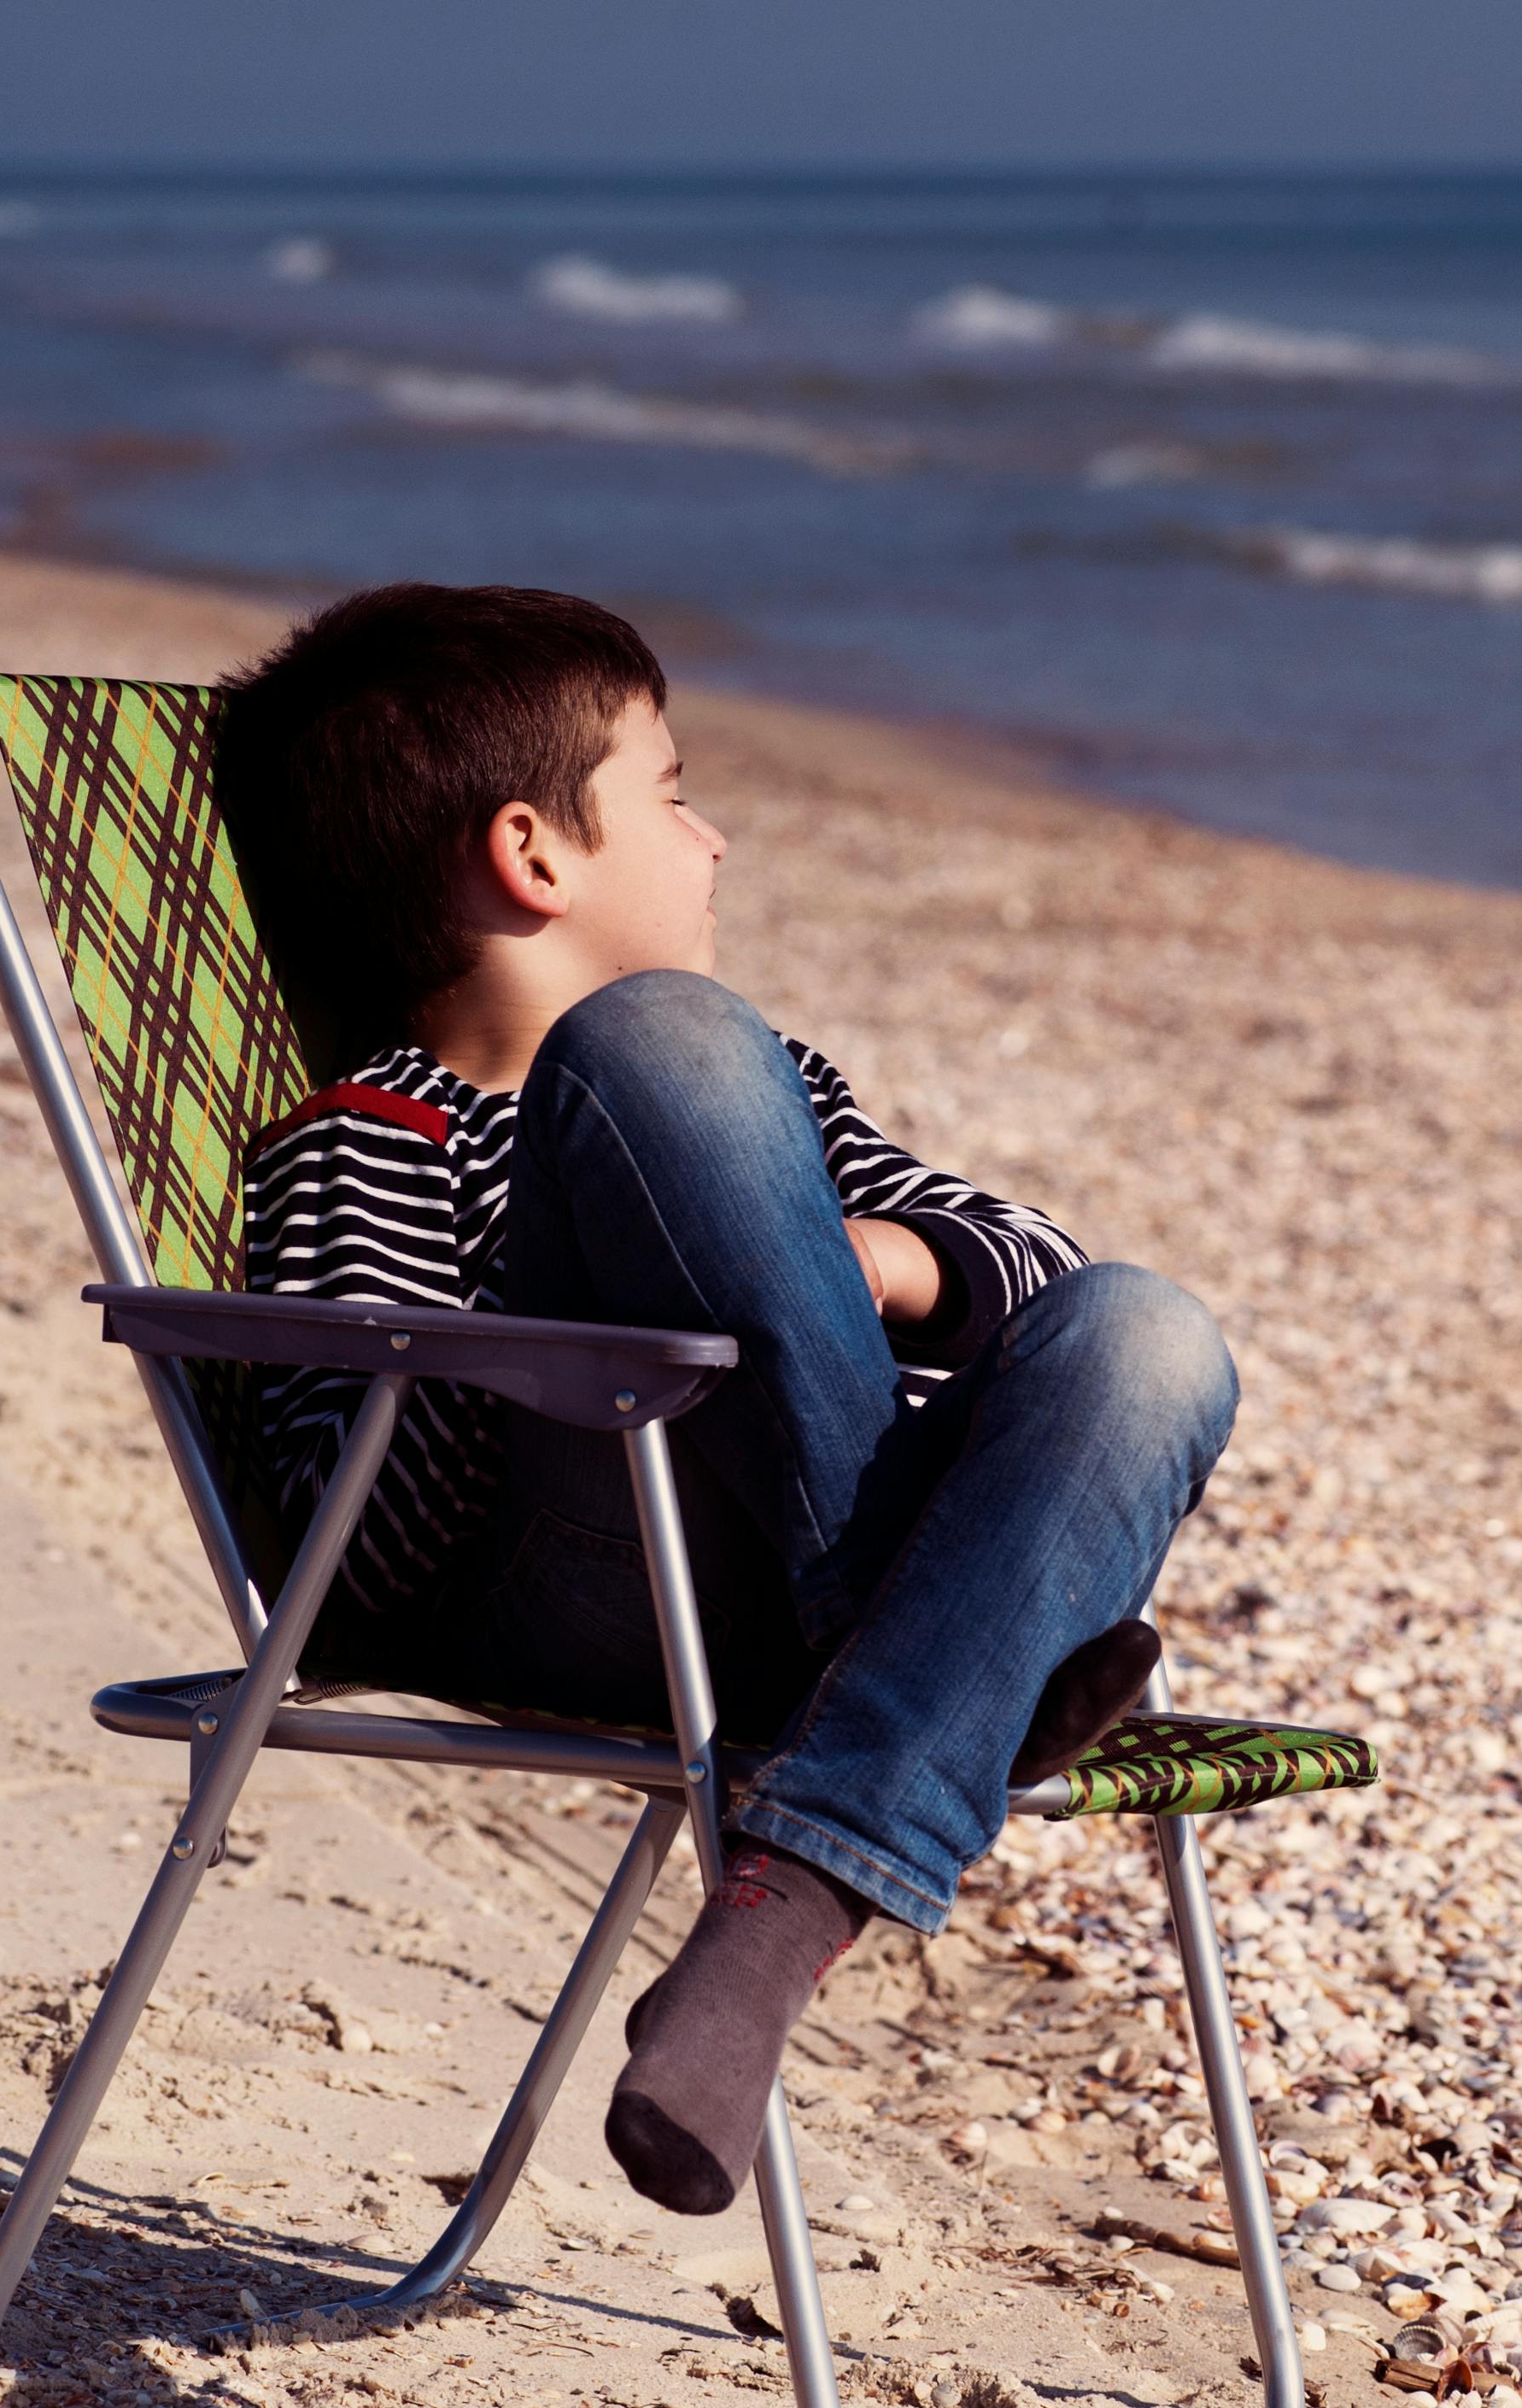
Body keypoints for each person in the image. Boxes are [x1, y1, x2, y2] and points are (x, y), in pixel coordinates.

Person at [212, 583, 1235, 2217]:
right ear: (533, 853)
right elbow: (356, 1560)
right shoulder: (371, 1137)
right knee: (660, 1044)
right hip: (577, 1584)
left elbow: (1035, 1259)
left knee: (1150, 1334)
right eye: (675, 794)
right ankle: (941, 1666)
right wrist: (557, 1323)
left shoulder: (783, 1104)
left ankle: (781, 1909)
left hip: (763, 1599)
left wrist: (849, 1263)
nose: (718, 842)